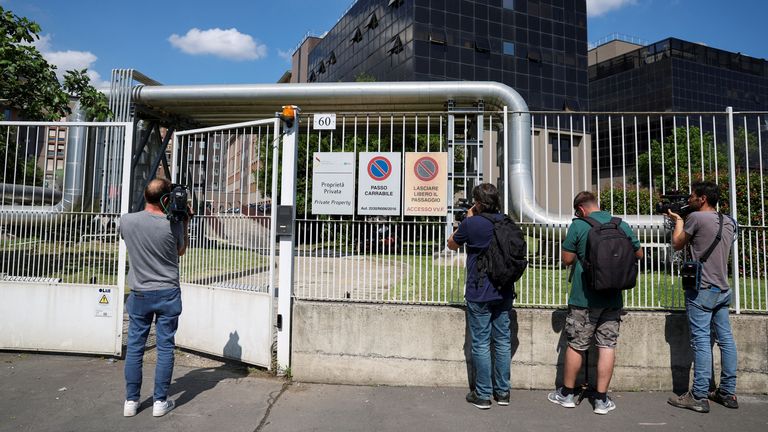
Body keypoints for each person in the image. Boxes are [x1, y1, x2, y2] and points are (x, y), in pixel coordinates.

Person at [548, 191, 643, 415]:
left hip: (584, 299)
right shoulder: (621, 224)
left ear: (580, 209)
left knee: (576, 345)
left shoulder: (579, 226)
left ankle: (567, 394)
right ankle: (601, 400)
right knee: (607, 345)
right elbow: (638, 253)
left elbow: (567, 259)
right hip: (613, 297)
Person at [667, 181, 738, 413]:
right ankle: (727, 392)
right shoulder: (729, 221)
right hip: (723, 290)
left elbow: (677, 244)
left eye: (693, 197)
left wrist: (678, 221)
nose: (689, 200)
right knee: (726, 340)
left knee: (700, 341)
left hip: (703, 289)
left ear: (703, 199)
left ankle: (697, 396)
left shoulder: (696, 218)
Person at [120, 178, 190, 418]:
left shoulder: (126, 221)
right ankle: (160, 401)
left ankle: (131, 401)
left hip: (140, 294)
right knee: (165, 347)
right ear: (167, 199)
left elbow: (129, 239)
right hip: (167, 293)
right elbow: (180, 251)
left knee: (135, 348)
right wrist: (185, 222)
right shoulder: (174, 225)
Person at [447, 183, 515, 409]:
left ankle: (483, 394)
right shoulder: (506, 221)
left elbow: (451, 244)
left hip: (479, 290)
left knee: (481, 342)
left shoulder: (471, 223)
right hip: (504, 289)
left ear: (477, 202)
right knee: (503, 341)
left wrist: (465, 219)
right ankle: (503, 392)